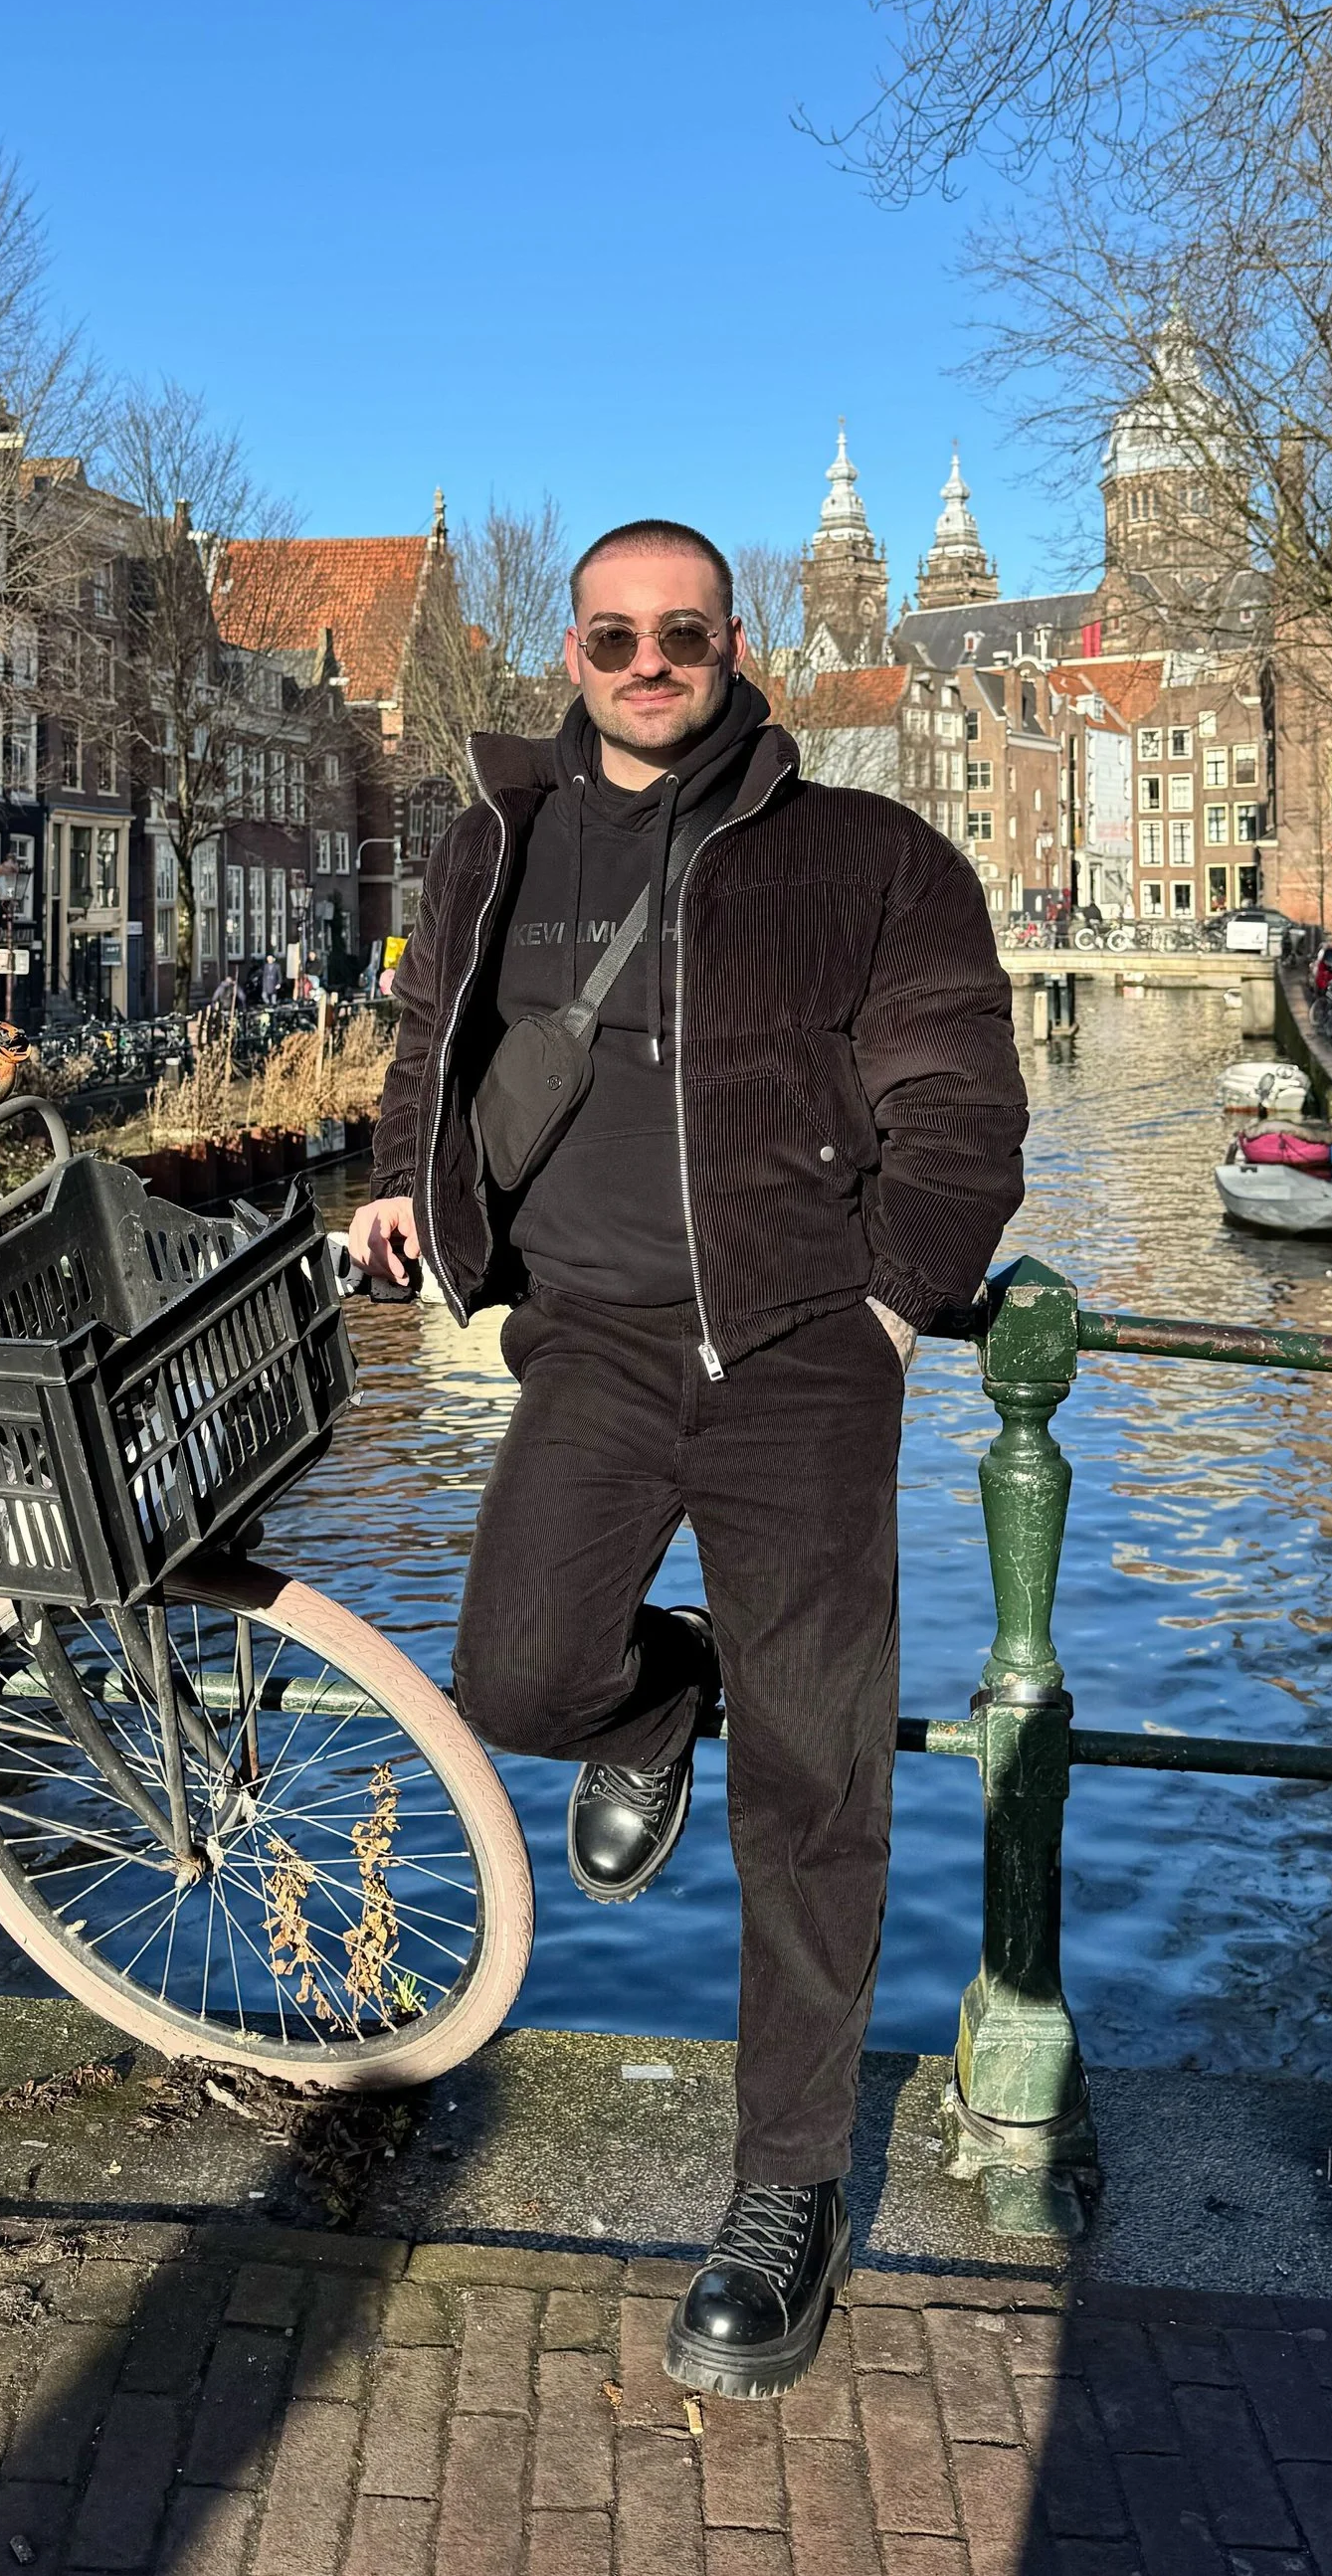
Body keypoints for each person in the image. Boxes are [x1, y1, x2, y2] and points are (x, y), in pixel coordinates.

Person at [349, 519, 1025, 2401]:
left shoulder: (870, 854)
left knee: (813, 1785)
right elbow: (435, 1035)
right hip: (593, 1343)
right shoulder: (493, 838)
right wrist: (402, 1187)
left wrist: (896, 1302)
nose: (649, 661)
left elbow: (963, 1093)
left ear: (738, 644)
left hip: (808, 1352)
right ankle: (656, 1707)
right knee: (518, 1668)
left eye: (684, 632)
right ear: (571, 652)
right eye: (614, 635)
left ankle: (781, 2189)